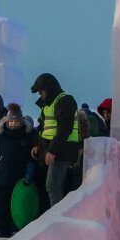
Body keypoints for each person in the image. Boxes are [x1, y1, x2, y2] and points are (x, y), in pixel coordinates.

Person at [30, 73, 80, 209]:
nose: (40, 94)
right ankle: (53, 217)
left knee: (52, 186)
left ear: (48, 88)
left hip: (62, 152)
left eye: (41, 90)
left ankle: (57, 220)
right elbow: (43, 127)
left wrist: (52, 151)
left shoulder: (64, 101)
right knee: (49, 187)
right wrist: (37, 145)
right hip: (52, 151)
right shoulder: (47, 105)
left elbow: (64, 128)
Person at [0, 103, 36, 237]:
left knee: (18, 205)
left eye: (17, 121)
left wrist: (29, 174)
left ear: (21, 121)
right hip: (3, 179)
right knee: (1, 205)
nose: (14, 123)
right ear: (7, 121)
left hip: (19, 180)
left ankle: (16, 227)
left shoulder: (26, 138)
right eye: (12, 121)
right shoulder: (1, 138)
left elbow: (31, 159)